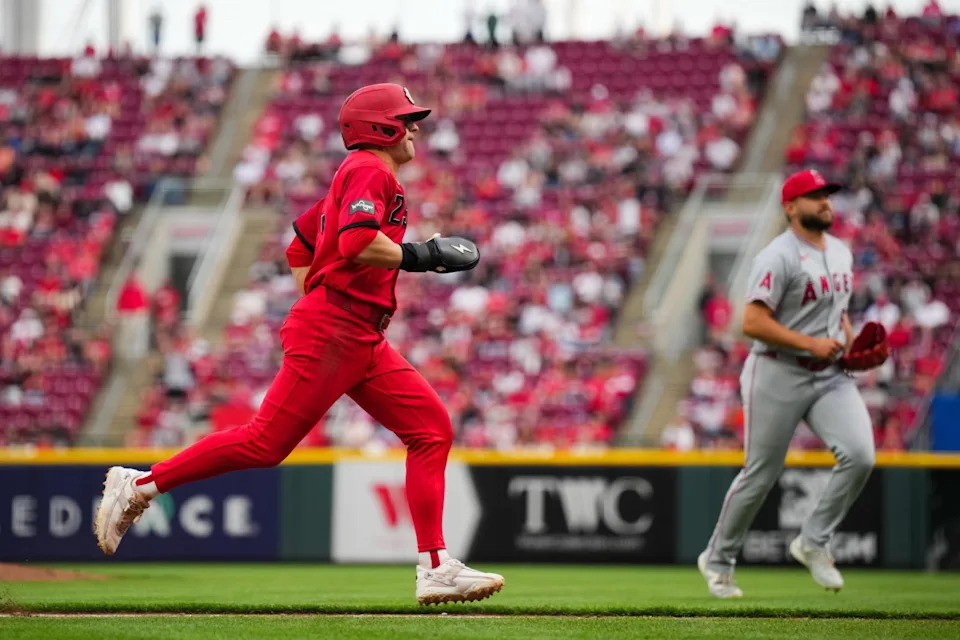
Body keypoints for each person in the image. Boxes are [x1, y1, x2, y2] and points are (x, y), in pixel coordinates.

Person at [94, 83, 503, 606]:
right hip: (337, 328)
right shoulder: (369, 171)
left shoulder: (356, 176)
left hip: (358, 333)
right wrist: (418, 258)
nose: (416, 126)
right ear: (380, 127)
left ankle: (436, 566)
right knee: (265, 444)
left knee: (431, 430)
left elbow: (300, 244)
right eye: (406, 118)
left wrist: (322, 294)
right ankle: (140, 486)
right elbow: (355, 241)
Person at [698, 170, 884, 598]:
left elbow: (839, 313)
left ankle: (813, 542)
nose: (825, 202)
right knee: (761, 473)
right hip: (777, 370)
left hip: (828, 374)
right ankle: (718, 559)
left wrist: (852, 347)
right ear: (790, 207)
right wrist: (809, 344)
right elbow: (751, 321)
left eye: (827, 195)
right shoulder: (776, 256)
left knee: (860, 455)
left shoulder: (840, 252)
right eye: (814, 196)